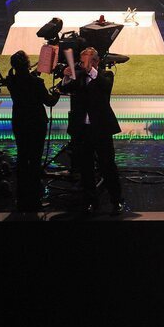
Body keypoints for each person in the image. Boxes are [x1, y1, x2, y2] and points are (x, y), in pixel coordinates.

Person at [59, 47, 124, 214]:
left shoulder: (105, 75)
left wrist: (91, 70)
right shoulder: (78, 76)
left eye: (86, 61)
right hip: (82, 129)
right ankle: (90, 201)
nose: (82, 64)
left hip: (101, 129)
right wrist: (67, 74)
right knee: (85, 168)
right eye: (81, 61)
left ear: (95, 62)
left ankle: (116, 200)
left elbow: (104, 86)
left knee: (107, 165)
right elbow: (64, 88)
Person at [4, 50, 60, 212]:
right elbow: (49, 102)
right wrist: (57, 92)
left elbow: (23, 79)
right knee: (35, 161)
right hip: (36, 124)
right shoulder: (36, 83)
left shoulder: (11, 81)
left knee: (22, 159)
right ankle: (35, 199)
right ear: (27, 64)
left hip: (20, 123)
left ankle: (21, 198)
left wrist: (34, 73)